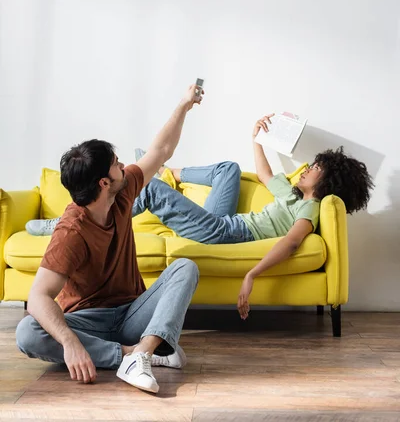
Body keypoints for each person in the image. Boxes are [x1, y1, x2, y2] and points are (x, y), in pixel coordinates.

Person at [26, 113, 374, 323]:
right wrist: (257, 137)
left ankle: (61, 224)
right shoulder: (293, 193)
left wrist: (252, 273)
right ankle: (166, 171)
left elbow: (292, 241)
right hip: (223, 224)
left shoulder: (310, 208)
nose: (307, 168)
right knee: (229, 169)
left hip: (226, 234)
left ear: (327, 182)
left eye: (314, 169)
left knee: (148, 191)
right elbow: (264, 174)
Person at [16, 85, 204, 395]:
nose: (123, 167)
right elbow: (38, 297)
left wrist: (184, 104)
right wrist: (71, 342)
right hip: (88, 321)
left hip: (133, 314)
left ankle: (142, 351)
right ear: (105, 182)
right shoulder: (70, 232)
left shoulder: (123, 191)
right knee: (27, 332)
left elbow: (161, 151)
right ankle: (134, 356)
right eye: (117, 164)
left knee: (185, 267)